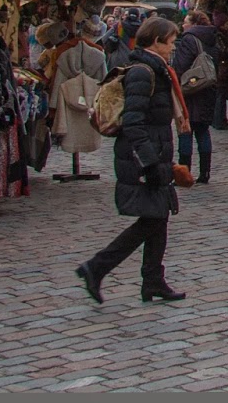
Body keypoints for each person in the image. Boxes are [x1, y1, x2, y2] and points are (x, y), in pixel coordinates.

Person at [76, 16, 187, 304]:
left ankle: (152, 280)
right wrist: (150, 163)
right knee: (151, 221)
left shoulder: (156, 68)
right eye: (171, 42)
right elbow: (135, 122)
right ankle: (97, 267)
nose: (173, 48)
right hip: (142, 157)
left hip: (153, 154)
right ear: (156, 41)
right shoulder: (143, 72)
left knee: (158, 218)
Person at [172, 10, 221, 183]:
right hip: (207, 90)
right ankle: (205, 173)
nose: (183, 25)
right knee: (202, 131)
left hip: (190, 91)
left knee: (186, 129)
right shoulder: (212, 39)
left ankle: (184, 173)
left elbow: (181, 66)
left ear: (193, 24)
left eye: (185, 21)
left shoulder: (188, 39)